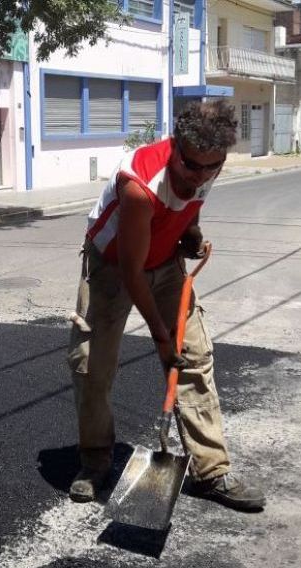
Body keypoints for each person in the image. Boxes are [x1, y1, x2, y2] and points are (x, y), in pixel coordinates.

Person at [66, 101, 265, 511]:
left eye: (213, 167)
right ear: (175, 146)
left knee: (193, 358)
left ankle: (210, 471)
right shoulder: (140, 184)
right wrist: (159, 337)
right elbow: (132, 273)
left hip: (167, 263)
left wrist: (189, 232)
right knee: (92, 364)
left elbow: (188, 204)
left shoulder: (208, 163)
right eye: (193, 166)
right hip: (113, 267)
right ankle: (96, 461)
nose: (202, 177)